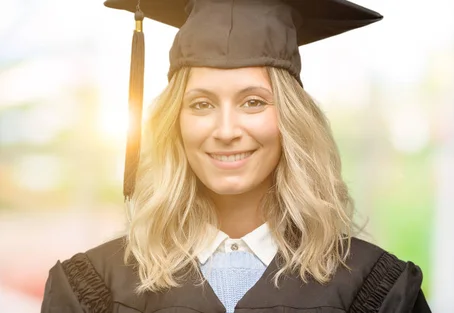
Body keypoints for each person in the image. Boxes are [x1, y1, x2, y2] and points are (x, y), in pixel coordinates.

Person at [41, 0, 432, 312]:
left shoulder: (374, 291)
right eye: (201, 104)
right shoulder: (95, 291)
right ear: (173, 122)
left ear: (291, 120)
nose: (226, 131)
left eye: (253, 102)